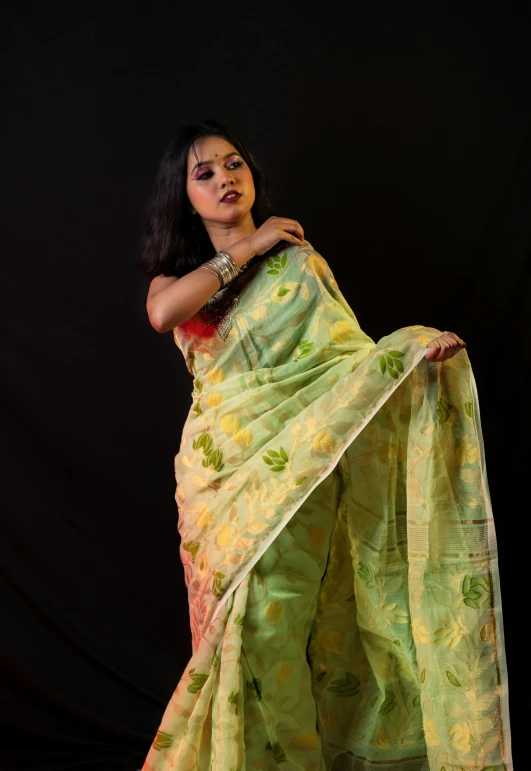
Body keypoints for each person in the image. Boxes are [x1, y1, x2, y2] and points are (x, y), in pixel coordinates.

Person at [137, 120, 512, 771]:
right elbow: (162, 315)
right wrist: (247, 246)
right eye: (205, 173)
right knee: (235, 636)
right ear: (185, 194)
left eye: (233, 164)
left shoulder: (299, 263)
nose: (225, 178)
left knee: (278, 627)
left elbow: (345, 362)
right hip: (218, 485)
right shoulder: (177, 278)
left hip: (298, 473)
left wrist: (410, 358)